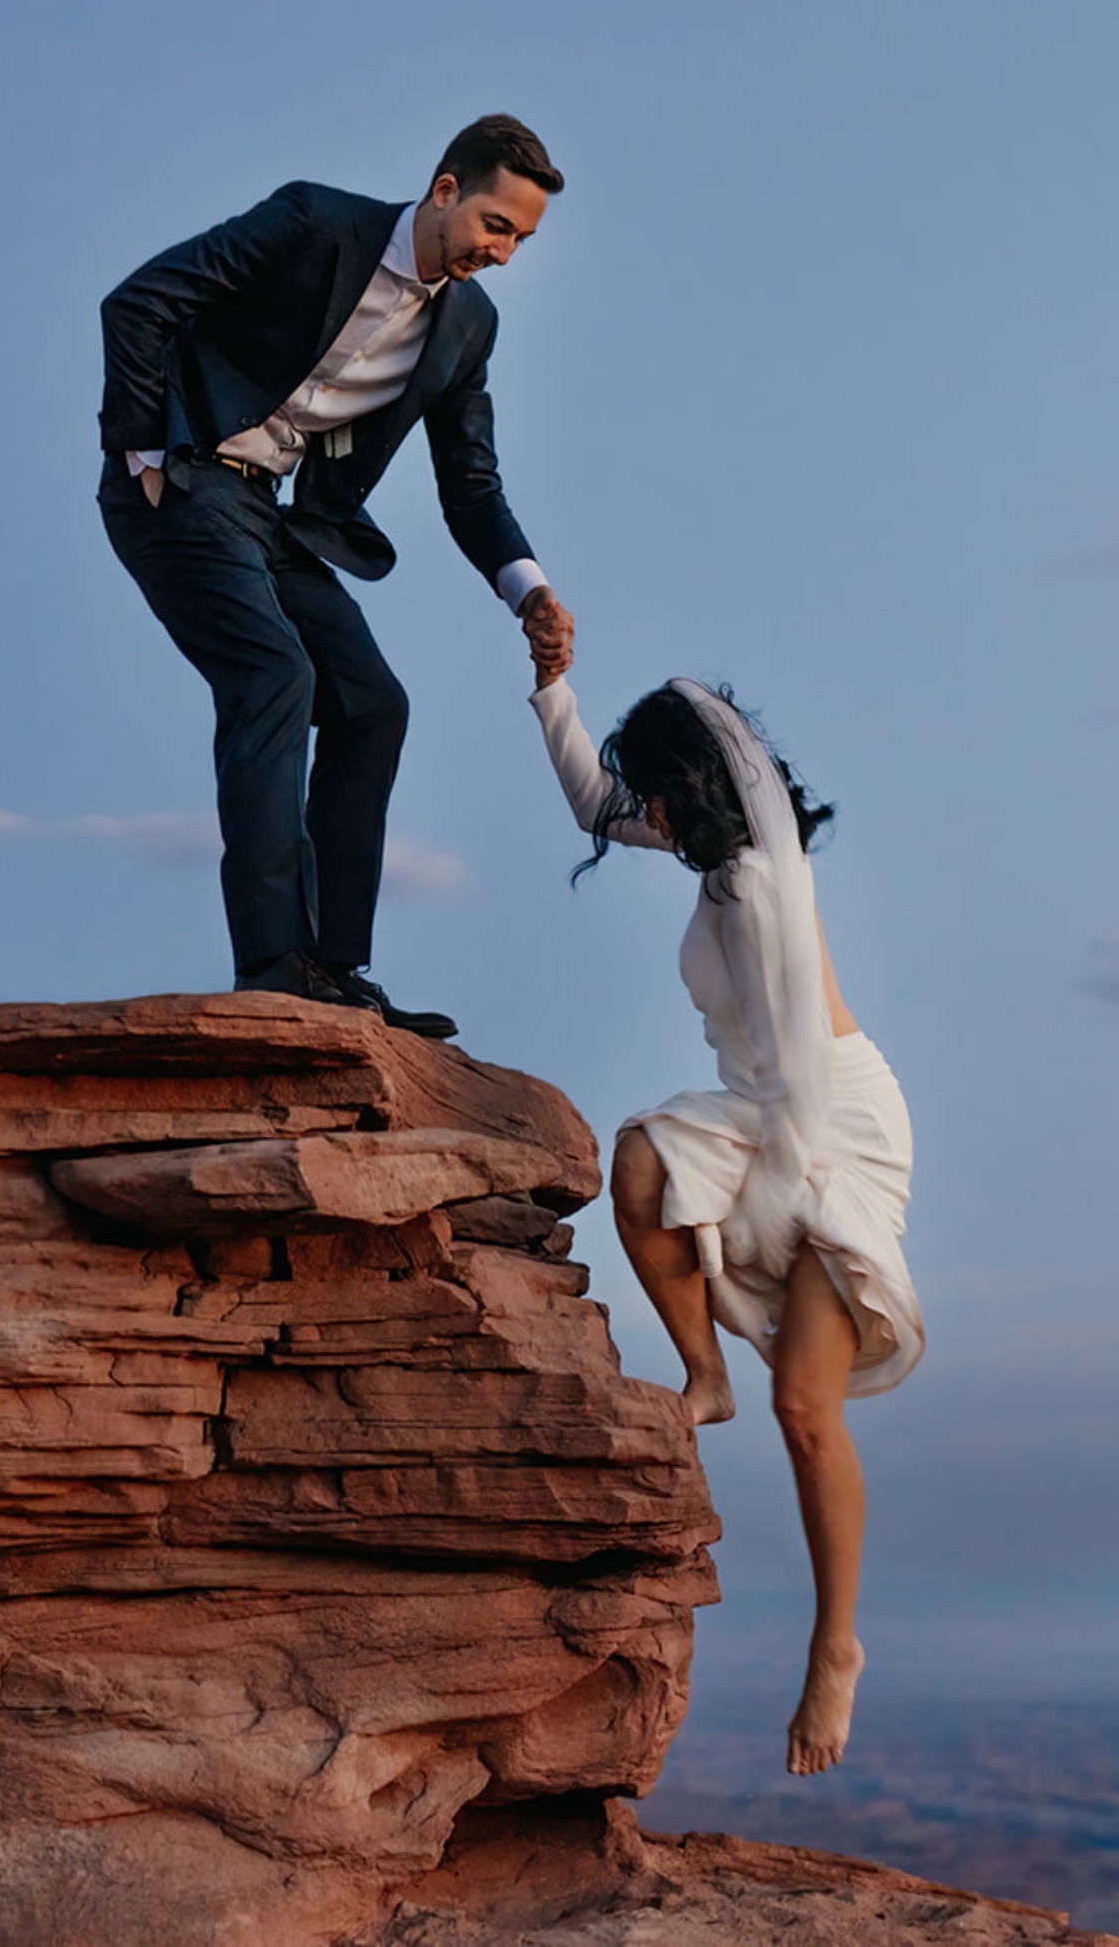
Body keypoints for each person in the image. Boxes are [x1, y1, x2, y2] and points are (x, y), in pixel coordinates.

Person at [528, 657, 924, 1777]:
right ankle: (702, 1376)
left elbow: (800, 1062)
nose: (636, 811)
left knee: (805, 1407)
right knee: (639, 1162)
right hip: (763, 1105)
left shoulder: (762, 882)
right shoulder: (707, 855)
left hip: (834, 1118)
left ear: (692, 786)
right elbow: (586, 802)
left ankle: (835, 1646)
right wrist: (549, 683)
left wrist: (778, 1197)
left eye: (650, 787)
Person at [97, 114, 575, 1039]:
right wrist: (144, 451)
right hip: (180, 483)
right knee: (275, 677)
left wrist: (530, 589)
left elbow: (471, 486)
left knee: (371, 703)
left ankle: (337, 969)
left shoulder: (469, 325)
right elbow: (138, 303)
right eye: (497, 225)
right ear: (446, 190)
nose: (505, 252)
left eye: (522, 239)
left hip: (269, 517)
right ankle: (274, 965)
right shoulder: (317, 222)